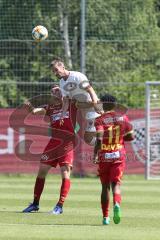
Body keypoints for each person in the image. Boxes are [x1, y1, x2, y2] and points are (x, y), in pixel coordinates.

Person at [22, 84, 77, 215]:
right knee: (41, 172)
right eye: (52, 91)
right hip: (53, 143)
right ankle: (35, 204)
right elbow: (35, 111)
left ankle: (60, 205)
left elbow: (86, 101)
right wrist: (29, 107)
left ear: (62, 91)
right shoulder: (50, 107)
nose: (54, 92)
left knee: (65, 173)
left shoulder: (71, 105)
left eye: (57, 90)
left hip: (67, 142)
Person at [93, 93, 134, 225]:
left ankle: (105, 217)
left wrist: (95, 155)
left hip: (104, 155)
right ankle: (117, 203)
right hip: (118, 154)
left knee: (105, 187)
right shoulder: (124, 118)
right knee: (116, 184)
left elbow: (99, 139)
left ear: (104, 104)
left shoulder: (99, 120)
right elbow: (131, 136)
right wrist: (120, 138)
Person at [50, 58, 102, 146]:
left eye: (56, 70)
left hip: (94, 108)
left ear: (63, 67)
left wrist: (96, 104)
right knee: (89, 139)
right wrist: (62, 115)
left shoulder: (77, 76)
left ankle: (106, 148)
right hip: (84, 108)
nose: (55, 73)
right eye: (53, 72)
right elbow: (66, 101)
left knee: (99, 134)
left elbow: (90, 90)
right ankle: (104, 147)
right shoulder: (62, 82)